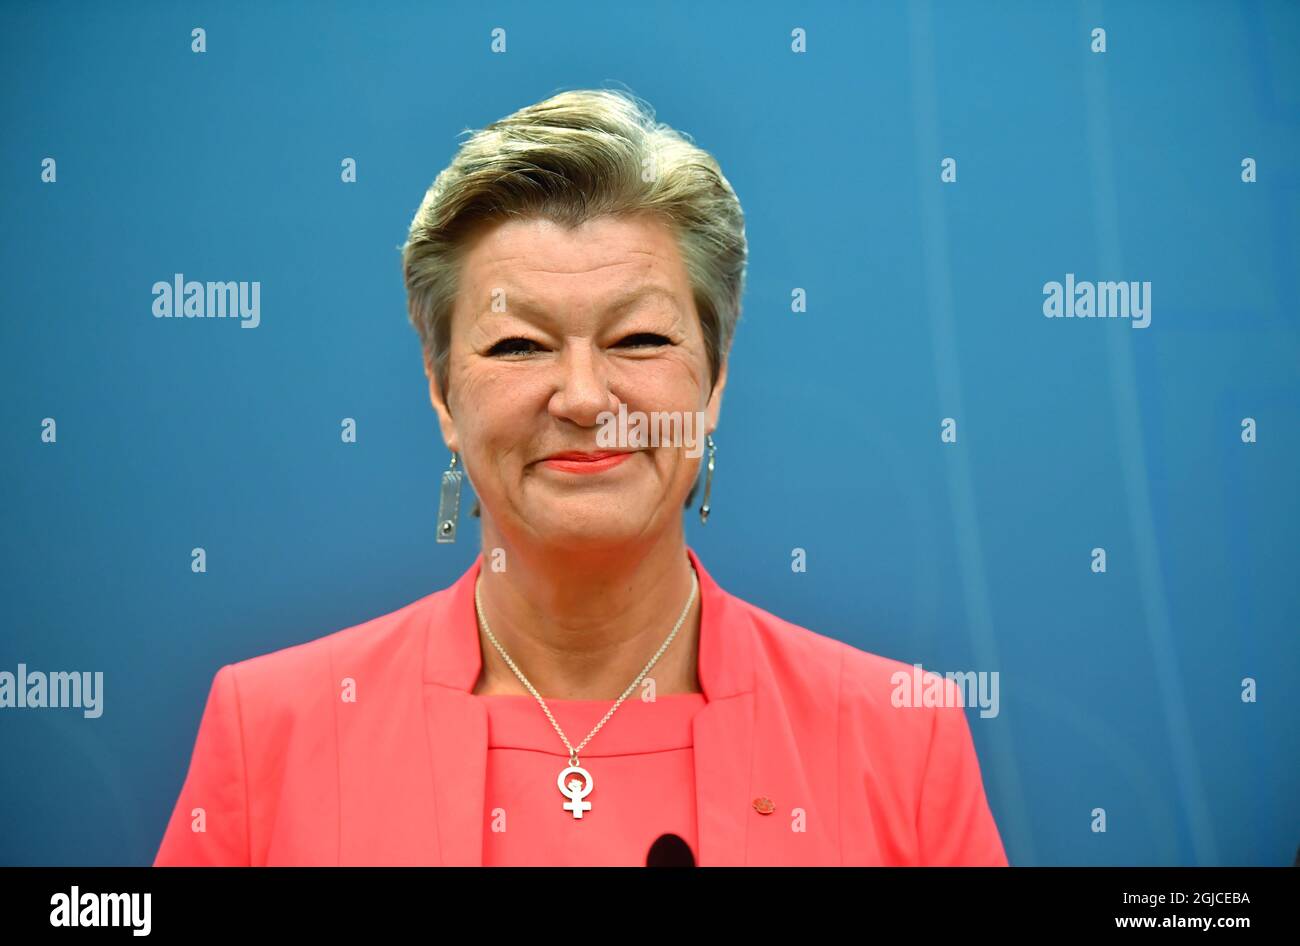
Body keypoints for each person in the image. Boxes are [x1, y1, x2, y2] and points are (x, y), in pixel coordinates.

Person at [154, 88, 1008, 866]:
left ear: (713, 381)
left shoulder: (900, 736)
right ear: (442, 393)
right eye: (518, 345)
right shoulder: (271, 729)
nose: (585, 398)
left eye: (638, 339)